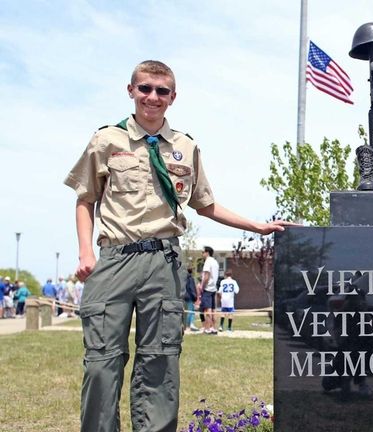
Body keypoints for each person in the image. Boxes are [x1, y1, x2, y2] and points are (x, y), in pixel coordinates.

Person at [64, 60, 295, 432]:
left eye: (161, 91)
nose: (152, 97)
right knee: (101, 364)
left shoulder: (185, 147)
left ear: (173, 96)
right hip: (115, 260)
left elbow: (205, 204)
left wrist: (257, 225)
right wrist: (86, 252)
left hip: (164, 263)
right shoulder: (107, 140)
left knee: (160, 362)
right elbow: (84, 197)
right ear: (131, 91)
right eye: (145, 89)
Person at [198, 246, 219, 335]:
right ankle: (213, 328)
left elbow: (206, 276)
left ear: (207, 252)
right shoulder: (215, 262)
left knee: (207, 309)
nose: (202, 254)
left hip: (207, 288)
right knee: (213, 309)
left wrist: (202, 286)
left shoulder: (208, 261)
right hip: (213, 288)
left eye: (203, 252)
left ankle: (207, 329)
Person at [183, 268, 198, 332]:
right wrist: (195, 296)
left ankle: (185, 326)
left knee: (186, 312)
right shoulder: (190, 278)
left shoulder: (184, 278)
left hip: (184, 296)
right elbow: (192, 288)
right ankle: (189, 326)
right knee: (190, 311)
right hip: (190, 297)